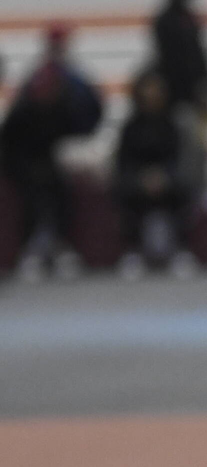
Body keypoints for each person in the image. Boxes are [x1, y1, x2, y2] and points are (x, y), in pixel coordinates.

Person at [0, 23, 103, 279]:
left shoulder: (71, 82)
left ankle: (57, 244)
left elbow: (90, 116)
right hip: (22, 158)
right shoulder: (36, 85)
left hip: (49, 156)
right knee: (35, 194)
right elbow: (12, 137)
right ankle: (33, 247)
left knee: (59, 191)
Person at [113, 69, 197, 274]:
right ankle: (133, 250)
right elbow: (123, 162)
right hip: (138, 181)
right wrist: (142, 178)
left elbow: (181, 159)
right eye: (147, 90)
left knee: (183, 189)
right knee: (125, 192)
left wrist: (164, 176)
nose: (152, 95)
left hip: (169, 179)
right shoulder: (131, 127)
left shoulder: (174, 125)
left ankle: (181, 249)